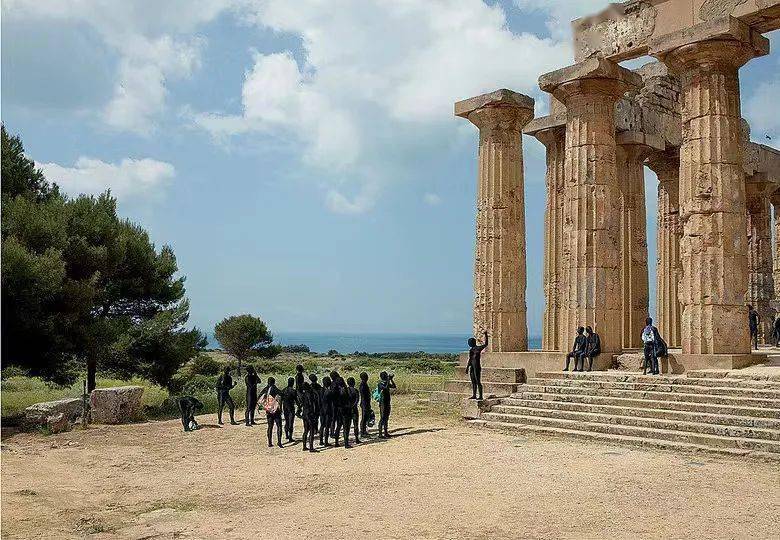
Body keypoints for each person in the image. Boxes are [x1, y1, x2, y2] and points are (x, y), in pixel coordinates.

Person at [259, 377, 283, 447]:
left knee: (270, 426)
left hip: (268, 410)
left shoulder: (265, 389)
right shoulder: (275, 389)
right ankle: (279, 442)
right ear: (274, 382)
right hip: (276, 410)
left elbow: (260, 397)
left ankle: (269, 442)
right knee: (279, 426)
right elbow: (282, 394)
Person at [466, 330, 489, 400]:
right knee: (473, 382)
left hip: (477, 367)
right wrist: (467, 367)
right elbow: (470, 359)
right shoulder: (471, 350)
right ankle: (474, 395)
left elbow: (486, 344)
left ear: (473, 342)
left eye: (470, 342)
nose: (469, 343)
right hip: (472, 367)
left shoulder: (478, 348)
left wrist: (486, 335)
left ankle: (481, 396)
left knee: (478, 381)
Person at [299, 382, 320, 452]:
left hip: (304, 414)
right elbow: (311, 404)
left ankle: (304, 446)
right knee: (311, 431)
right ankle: (311, 447)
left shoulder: (303, 395)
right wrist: (314, 414)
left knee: (305, 430)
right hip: (310, 414)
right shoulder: (310, 394)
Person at [377, 371, 396, 438]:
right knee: (382, 417)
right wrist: (388, 380)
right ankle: (380, 433)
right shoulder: (380, 383)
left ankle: (385, 432)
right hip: (382, 403)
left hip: (387, 402)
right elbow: (385, 388)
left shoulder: (386, 382)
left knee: (386, 417)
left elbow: (394, 386)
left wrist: (391, 380)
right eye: (386, 376)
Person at [281, 377, 299, 442]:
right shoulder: (293, 391)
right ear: (293, 383)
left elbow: (281, 400)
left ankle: (286, 435)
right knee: (291, 422)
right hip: (291, 408)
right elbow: (296, 400)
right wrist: (299, 406)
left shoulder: (283, 390)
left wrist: (280, 408)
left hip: (285, 407)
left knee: (287, 421)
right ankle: (290, 437)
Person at [346, 377, 361, 445]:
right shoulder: (356, 390)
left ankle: (346, 440)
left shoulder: (346, 390)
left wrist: (348, 406)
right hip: (354, 409)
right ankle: (357, 439)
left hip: (348, 410)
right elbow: (357, 400)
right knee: (355, 425)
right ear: (354, 383)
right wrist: (353, 406)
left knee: (347, 426)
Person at [320, 376, 334, 446]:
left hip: (322, 409)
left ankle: (321, 441)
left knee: (322, 425)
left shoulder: (321, 390)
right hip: (328, 410)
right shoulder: (329, 392)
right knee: (327, 426)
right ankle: (326, 442)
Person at [359, 372, 373, 438]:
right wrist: (366, 404)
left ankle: (364, 431)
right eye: (366, 376)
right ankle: (362, 432)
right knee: (364, 418)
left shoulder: (364, 384)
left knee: (366, 417)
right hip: (365, 403)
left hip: (366, 403)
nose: (367, 377)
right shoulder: (362, 385)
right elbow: (364, 396)